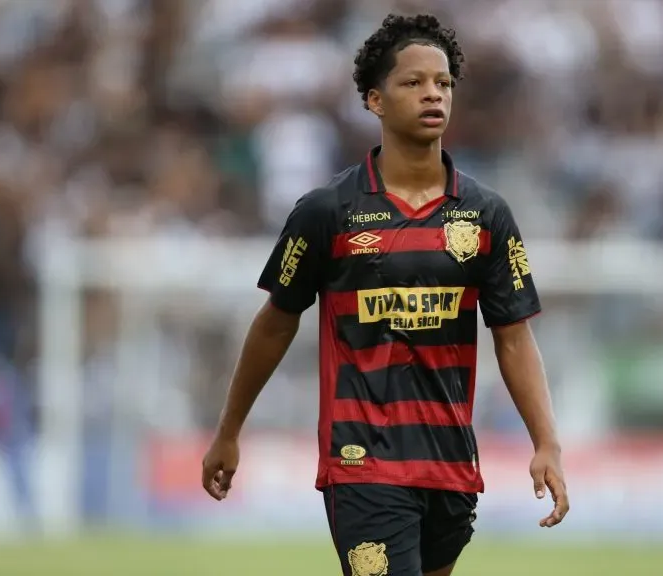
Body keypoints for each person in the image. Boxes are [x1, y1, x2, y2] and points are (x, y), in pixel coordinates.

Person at [201, 13, 568, 575]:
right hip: (362, 461)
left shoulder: (485, 213)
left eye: (443, 83)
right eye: (413, 82)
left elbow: (513, 336)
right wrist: (229, 430)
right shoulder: (328, 211)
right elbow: (275, 322)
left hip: (450, 462)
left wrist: (546, 442)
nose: (433, 95)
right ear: (374, 100)